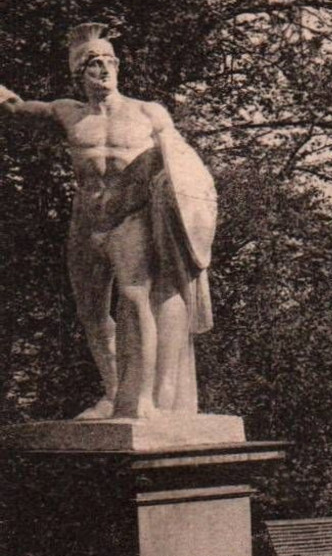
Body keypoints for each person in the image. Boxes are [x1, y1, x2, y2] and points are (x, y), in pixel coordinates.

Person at [0, 23, 216, 419]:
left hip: (129, 219)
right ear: (79, 73)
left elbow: (183, 168)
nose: (103, 68)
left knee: (135, 299)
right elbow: (13, 109)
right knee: (92, 312)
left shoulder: (148, 113)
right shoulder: (69, 113)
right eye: (93, 63)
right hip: (86, 222)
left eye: (109, 61)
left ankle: (142, 400)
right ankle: (115, 392)